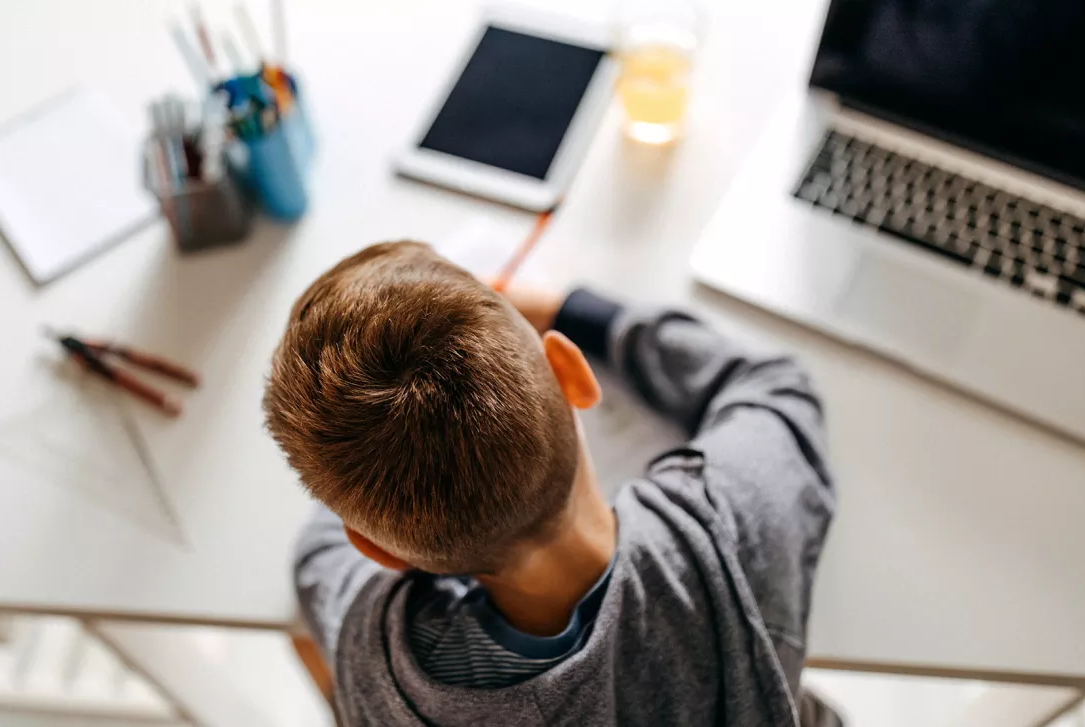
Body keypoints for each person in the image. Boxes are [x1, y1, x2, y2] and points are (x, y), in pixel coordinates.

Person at [263, 240, 838, 726]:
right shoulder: (731, 531)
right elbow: (773, 385)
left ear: (377, 550)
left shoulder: (377, 661)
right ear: (572, 373)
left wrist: (369, 465)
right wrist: (575, 309)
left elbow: (318, 558)